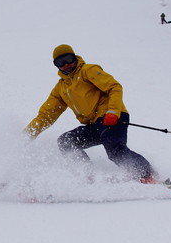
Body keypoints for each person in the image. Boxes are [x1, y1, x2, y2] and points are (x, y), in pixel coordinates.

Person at [25, 44, 163, 184]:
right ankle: (87, 175)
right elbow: (46, 115)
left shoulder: (88, 71)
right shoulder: (61, 88)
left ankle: (148, 176)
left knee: (115, 150)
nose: (66, 64)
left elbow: (114, 87)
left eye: (68, 59)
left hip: (112, 118)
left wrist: (113, 112)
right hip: (95, 125)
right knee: (66, 141)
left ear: (74, 57)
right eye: (60, 62)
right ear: (56, 66)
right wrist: (26, 136)